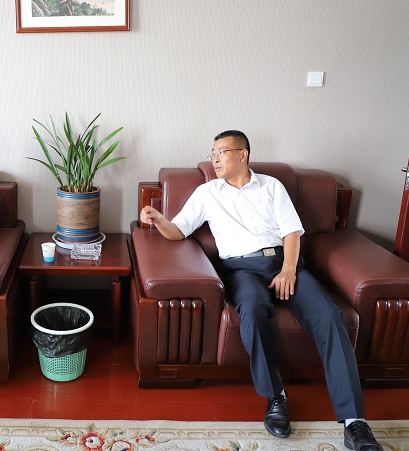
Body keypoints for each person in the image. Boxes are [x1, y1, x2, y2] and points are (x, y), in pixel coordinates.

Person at [140, 130, 383, 451]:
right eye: (212, 153)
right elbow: (178, 231)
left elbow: (292, 232)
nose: (214, 159)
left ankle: (355, 423)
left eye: (221, 152)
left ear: (243, 154)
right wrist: (158, 219)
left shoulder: (271, 186)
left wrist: (289, 269)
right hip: (242, 270)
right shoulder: (207, 192)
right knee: (252, 313)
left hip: (285, 264)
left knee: (329, 317)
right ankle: (276, 396)